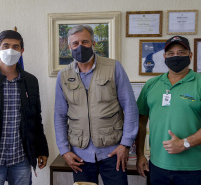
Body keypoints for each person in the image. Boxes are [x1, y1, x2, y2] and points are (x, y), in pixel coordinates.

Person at [54, 24, 138, 185]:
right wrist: (64, 150)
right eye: (75, 43)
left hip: (113, 152)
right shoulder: (64, 75)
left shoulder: (114, 67)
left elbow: (130, 108)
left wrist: (125, 144)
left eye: (84, 42)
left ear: (93, 43)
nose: (80, 46)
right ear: (69, 47)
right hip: (80, 155)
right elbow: (59, 115)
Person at [0, 30, 49, 185]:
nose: (11, 50)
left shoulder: (30, 81)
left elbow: (36, 118)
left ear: (22, 51)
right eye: (6, 45)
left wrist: (42, 149)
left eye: (16, 47)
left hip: (20, 159)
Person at [136, 35, 201, 185]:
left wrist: (186, 143)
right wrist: (140, 155)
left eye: (181, 53)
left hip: (193, 169)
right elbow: (141, 122)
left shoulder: (199, 83)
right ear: (164, 57)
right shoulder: (152, 84)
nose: (176, 57)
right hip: (157, 166)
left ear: (190, 55)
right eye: (171, 54)